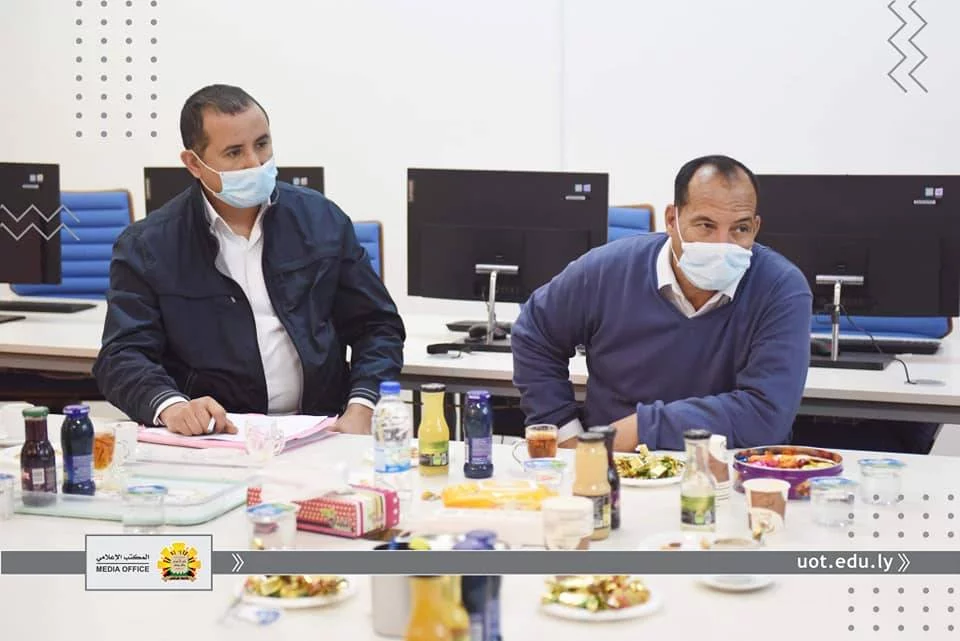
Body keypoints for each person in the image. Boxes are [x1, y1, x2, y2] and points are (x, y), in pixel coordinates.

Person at [92, 84, 405, 436]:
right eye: (234, 152)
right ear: (194, 164)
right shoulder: (148, 246)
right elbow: (122, 355)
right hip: (218, 436)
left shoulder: (322, 220)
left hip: (321, 429)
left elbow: (376, 326)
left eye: (262, 144)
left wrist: (363, 406)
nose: (255, 163)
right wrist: (172, 406)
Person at [511, 155, 812, 451]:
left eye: (740, 229)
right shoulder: (608, 269)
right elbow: (535, 333)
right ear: (672, 220)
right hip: (612, 464)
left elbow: (765, 414)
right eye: (706, 225)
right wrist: (563, 431)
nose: (723, 244)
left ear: (755, 228)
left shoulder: (781, 288)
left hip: (727, 468)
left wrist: (641, 428)